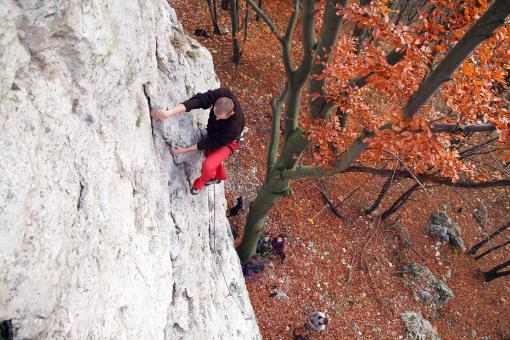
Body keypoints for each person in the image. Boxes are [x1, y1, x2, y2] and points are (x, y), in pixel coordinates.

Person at [151, 88, 245, 194]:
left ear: (231, 114)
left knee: (208, 165)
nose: (217, 119)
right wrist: (168, 113)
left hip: (228, 143)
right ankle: (217, 177)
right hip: (214, 134)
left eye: (220, 118)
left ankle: (203, 181)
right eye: (215, 115)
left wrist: (185, 150)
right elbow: (199, 100)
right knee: (209, 156)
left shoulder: (233, 127)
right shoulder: (222, 95)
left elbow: (211, 141)